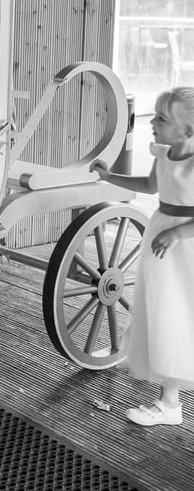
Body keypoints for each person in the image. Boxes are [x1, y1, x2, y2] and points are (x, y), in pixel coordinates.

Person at [92, 87, 194, 427]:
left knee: (179, 314)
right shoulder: (163, 154)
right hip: (161, 236)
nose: (152, 123)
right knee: (162, 311)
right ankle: (169, 401)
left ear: (187, 130)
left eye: (162, 119)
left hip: (186, 244)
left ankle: (169, 403)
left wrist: (178, 233)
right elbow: (151, 186)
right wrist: (110, 176)